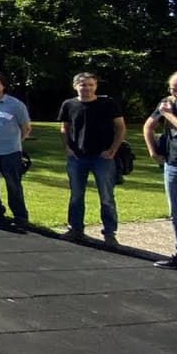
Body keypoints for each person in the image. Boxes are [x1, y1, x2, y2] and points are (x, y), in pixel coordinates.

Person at [58, 72, 124, 246]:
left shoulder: (107, 103)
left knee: (106, 197)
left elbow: (120, 128)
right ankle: (75, 229)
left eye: (90, 85)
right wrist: (67, 148)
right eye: (83, 85)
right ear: (75, 86)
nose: (86, 88)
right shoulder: (69, 104)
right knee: (76, 195)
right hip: (77, 157)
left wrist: (112, 150)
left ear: (95, 86)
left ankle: (109, 233)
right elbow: (64, 127)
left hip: (102, 157)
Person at [0, 72, 32, 227]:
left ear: (4, 85)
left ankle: (20, 216)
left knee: (13, 184)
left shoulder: (16, 105)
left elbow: (26, 127)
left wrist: (17, 142)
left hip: (10, 152)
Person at [144, 70, 177, 269]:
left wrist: (168, 114)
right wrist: (153, 150)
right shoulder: (167, 101)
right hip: (174, 163)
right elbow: (148, 126)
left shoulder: (168, 108)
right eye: (173, 89)